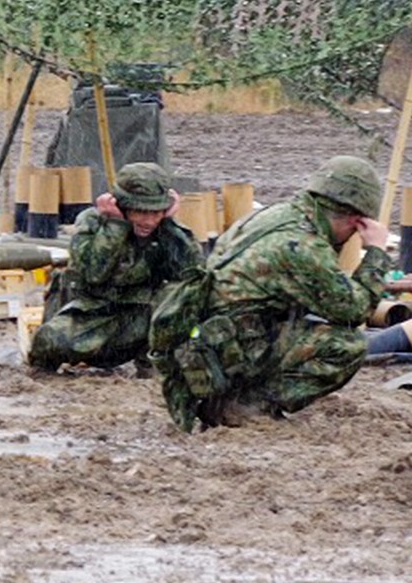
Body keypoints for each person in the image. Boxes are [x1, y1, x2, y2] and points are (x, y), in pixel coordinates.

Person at [152, 155, 392, 431]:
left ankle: (229, 399)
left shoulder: (274, 216)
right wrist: (376, 254)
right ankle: (245, 407)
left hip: (209, 342)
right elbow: (354, 311)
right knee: (346, 345)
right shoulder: (303, 245)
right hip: (228, 349)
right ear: (354, 220)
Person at [27, 161, 204, 373]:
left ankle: (153, 364)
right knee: (49, 341)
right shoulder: (93, 222)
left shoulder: (165, 230)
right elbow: (94, 273)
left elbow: (191, 273)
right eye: (141, 212)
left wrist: (168, 225)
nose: (149, 221)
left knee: (185, 298)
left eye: (156, 213)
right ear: (121, 206)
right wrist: (116, 225)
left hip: (139, 318)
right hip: (91, 316)